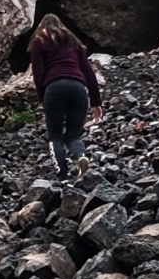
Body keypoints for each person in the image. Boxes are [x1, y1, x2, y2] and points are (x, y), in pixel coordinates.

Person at [28, 13, 103, 179]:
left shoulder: (39, 41)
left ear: (42, 27)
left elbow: (38, 74)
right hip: (78, 88)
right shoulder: (73, 42)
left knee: (55, 136)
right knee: (73, 136)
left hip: (54, 88)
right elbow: (89, 72)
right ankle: (80, 157)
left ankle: (62, 176)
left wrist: (44, 98)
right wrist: (96, 102)